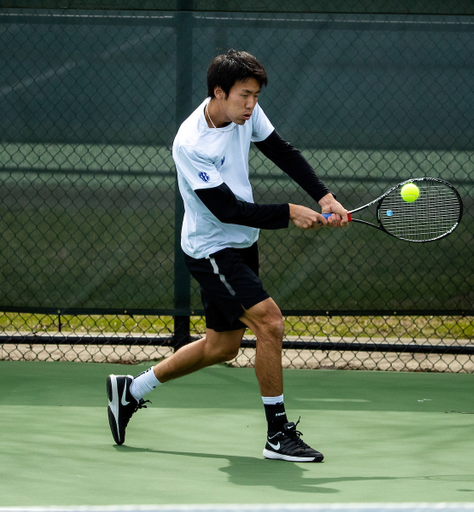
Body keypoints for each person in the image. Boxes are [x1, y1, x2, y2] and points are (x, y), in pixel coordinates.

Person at [107, 49, 349, 463]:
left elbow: (282, 151)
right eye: (244, 96)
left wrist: (324, 196)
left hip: (240, 243)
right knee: (270, 323)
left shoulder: (246, 112)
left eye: (255, 95)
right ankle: (277, 435)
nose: (251, 104)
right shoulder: (191, 143)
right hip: (211, 249)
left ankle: (131, 390)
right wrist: (289, 212)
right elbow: (226, 209)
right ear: (218, 92)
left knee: (222, 347)